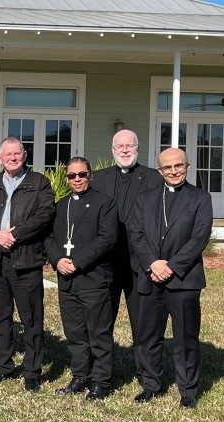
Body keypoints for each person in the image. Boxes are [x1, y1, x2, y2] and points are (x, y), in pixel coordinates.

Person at [128, 147, 212, 409]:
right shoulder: (146, 197)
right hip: (151, 276)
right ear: (159, 169)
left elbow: (199, 238)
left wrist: (172, 266)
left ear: (187, 167)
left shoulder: (200, 197)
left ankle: (187, 389)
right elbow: (137, 233)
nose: (173, 171)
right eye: (167, 167)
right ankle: (151, 384)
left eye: (178, 166)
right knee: (147, 335)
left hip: (184, 279)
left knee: (185, 337)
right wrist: (154, 263)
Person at [0, 137, 55, 392]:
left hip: (26, 259)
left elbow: (45, 214)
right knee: (0, 315)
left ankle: (32, 370)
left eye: (17, 154)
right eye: (7, 155)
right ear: (0, 159)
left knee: (31, 317)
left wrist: (15, 233)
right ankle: (4, 366)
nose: (12, 158)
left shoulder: (38, 182)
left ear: (24, 155)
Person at [90, 129, 162, 378]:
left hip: (139, 264)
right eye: (119, 146)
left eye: (130, 145)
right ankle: (99, 373)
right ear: (112, 151)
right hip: (104, 264)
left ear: (137, 148)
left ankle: (147, 376)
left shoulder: (153, 178)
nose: (124, 150)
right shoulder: (97, 179)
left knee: (142, 324)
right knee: (101, 323)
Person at [45, 157, 117, 400]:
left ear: (90, 175)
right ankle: (79, 376)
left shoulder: (104, 204)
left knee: (98, 333)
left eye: (81, 174)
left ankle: (101, 381)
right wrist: (57, 260)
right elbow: (50, 238)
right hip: (66, 280)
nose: (77, 179)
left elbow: (106, 239)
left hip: (93, 278)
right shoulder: (60, 205)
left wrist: (76, 262)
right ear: (67, 178)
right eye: (72, 176)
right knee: (74, 333)